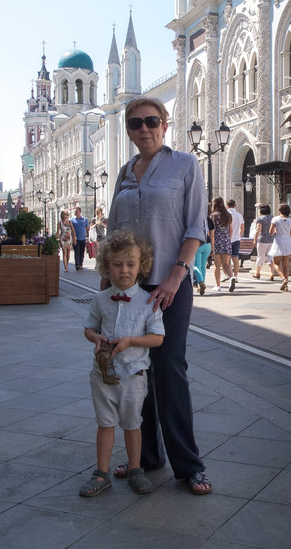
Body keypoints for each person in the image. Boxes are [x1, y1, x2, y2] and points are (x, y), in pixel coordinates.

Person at [104, 97, 212, 495]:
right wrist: (107, 290)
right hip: (130, 288)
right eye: (136, 124)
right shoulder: (124, 172)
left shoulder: (185, 164)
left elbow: (196, 227)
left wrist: (175, 276)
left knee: (169, 369)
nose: (144, 128)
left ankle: (189, 465)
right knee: (135, 370)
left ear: (165, 125)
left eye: (152, 121)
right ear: (129, 131)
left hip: (170, 285)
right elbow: (113, 235)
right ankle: (147, 457)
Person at [80, 230, 164, 498]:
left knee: (132, 424)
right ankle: (101, 473)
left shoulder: (148, 302)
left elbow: (158, 338)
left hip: (133, 375)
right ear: (107, 266)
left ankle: (136, 469)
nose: (124, 270)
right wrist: (95, 337)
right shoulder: (100, 299)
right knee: (105, 423)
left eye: (130, 264)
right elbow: (89, 328)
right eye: (117, 264)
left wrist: (130, 342)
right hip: (102, 374)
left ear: (141, 266)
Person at [269, 203, 291, 291]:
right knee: (285, 264)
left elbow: (270, 232)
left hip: (278, 240)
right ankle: (286, 286)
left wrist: (276, 230)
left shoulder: (275, 219)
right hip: (287, 240)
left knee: (276, 263)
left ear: (280, 210)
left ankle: (283, 279)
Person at [211, 196, 235, 293]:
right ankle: (232, 277)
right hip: (226, 241)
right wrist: (228, 240)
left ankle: (218, 286)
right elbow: (231, 230)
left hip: (217, 241)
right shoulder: (228, 215)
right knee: (226, 264)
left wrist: (212, 245)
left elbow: (212, 232)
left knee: (217, 265)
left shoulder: (214, 216)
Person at [193, 206, 214, 295]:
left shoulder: (196, 218)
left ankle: (200, 282)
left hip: (198, 243)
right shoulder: (209, 219)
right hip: (207, 244)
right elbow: (212, 235)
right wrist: (212, 247)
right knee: (203, 266)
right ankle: (202, 284)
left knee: (195, 265)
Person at [252, 204, 275, 281]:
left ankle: (257, 273)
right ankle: (272, 273)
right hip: (271, 239)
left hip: (262, 240)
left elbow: (258, 230)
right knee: (270, 256)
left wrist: (255, 240)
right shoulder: (273, 218)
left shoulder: (260, 219)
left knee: (260, 256)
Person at [226, 199, 244, 281]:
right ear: (235, 205)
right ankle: (236, 276)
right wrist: (238, 235)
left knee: (226, 259)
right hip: (236, 238)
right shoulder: (239, 215)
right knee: (235, 259)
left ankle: (228, 275)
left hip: (227, 238)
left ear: (227, 205)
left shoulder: (226, 214)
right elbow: (242, 228)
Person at [71, 205, 89, 270]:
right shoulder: (72, 220)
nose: (75, 212)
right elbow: (70, 229)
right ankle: (77, 264)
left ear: (80, 212)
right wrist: (73, 238)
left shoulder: (85, 219)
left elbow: (87, 228)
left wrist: (88, 237)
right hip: (76, 239)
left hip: (83, 238)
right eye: (75, 211)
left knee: (82, 252)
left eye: (77, 211)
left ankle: (81, 263)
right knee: (77, 251)